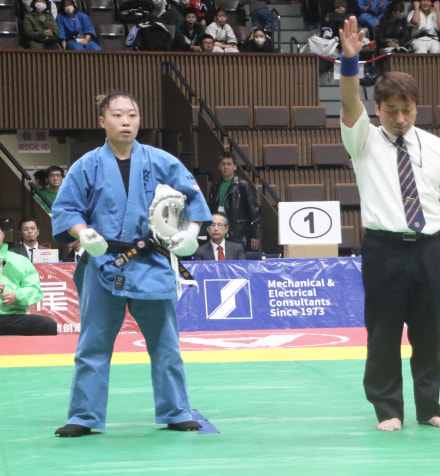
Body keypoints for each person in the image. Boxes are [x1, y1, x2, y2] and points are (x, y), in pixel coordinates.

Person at [50, 91, 212, 437]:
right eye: (118, 115)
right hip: (103, 262)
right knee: (93, 343)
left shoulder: (161, 161)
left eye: (132, 115)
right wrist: (83, 233)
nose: (126, 121)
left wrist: (190, 233)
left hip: (151, 260)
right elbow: (66, 209)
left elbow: (193, 198)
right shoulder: (87, 165)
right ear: (102, 121)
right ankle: (84, 416)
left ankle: (176, 410)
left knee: (165, 343)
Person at [339, 16, 440, 431]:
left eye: (407, 110)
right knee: (383, 333)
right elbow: (349, 103)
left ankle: (430, 407)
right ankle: (388, 409)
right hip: (384, 250)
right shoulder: (362, 140)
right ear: (378, 109)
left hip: (429, 250)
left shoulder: (438, 148)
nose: (400, 118)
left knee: (431, 333)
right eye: (392, 111)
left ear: (417, 107)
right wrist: (350, 61)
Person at [0, 226, 58, 336]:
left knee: (48, 325)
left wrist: (17, 295)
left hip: (15, 316)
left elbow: (35, 290)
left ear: (3, 234)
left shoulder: (21, 260)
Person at [207, 153, 261, 251]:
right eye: (223, 164)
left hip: (237, 232)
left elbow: (253, 210)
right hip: (218, 231)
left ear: (235, 166)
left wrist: (255, 235)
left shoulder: (242, 185)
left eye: (229, 164)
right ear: (219, 166)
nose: (226, 167)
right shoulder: (215, 186)